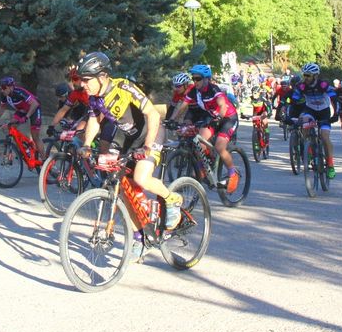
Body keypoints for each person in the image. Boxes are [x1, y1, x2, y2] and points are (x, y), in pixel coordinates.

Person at [76, 52, 182, 261]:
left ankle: (172, 200)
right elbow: (95, 121)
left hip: (151, 133)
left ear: (102, 77)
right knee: (121, 186)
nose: (82, 84)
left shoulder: (123, 87)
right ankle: (140, 236)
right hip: (127, 137)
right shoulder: (95, 98)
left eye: (86, 80)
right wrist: (87, 145)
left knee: (141, 177)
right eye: (81, 79)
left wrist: (148, 146)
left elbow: (152, 114)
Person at [169, 64, 240, 193]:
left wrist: (219, 117)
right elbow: (183, 106)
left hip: (228, 118)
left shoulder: (213, 89)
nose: (195, 81)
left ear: (206, 79)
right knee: (198, 142)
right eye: (193, 78)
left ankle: (233, 173)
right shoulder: (194, 91)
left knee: (219, 147)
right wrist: (172, 120)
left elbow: (222, 105)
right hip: (213, 118)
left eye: (198, 79)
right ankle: (205, 166)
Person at [284, 63, 337, 178]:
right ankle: (309, 151)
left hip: (324, 111)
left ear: (315, 75)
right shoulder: (302, 86)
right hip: (310, 110)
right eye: (304, 75)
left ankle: (330, 165)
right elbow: (293, 101)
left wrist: (336, 114)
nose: (306, 78)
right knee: (304, 126)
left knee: (324, 136)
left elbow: (334, 98)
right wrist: (288, 115)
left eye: (308, 75)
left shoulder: (323, 85)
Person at [0, 76, 45, 160]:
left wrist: (26, 117)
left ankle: (45, 161)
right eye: (1, 88)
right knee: (11, 127)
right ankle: (25, 150)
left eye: (4, 88)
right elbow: (2, 107)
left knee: (35, 137)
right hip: (22, 110)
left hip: (34, 109)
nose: (2, 90)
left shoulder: (19, 92)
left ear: (11, 87)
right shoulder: (4, 95)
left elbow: (35, 104)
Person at [48, 68, 89, 136]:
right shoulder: (75, 93)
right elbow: (63, 110)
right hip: (86, 113)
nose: (73, 82)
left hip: (96, 113)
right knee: (74, 132)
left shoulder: (90, 91)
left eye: (75, 79)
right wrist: (52, 126)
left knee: (79, 131)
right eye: (72, 79)